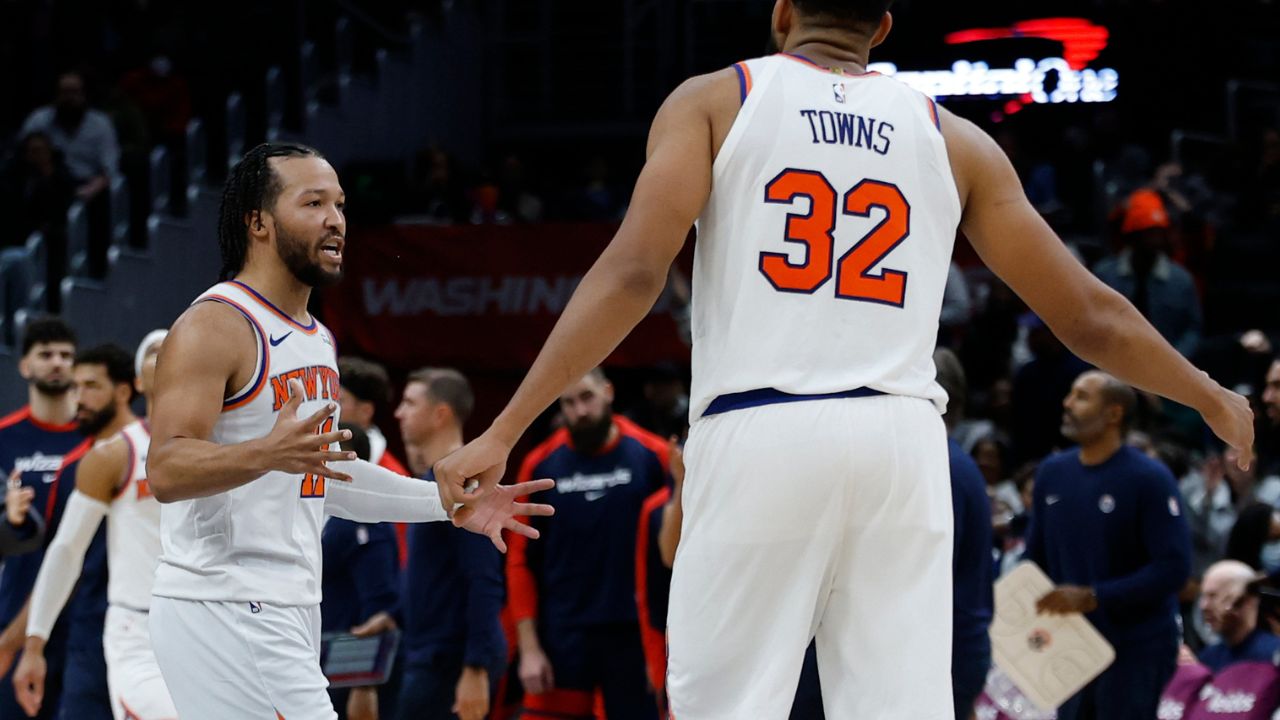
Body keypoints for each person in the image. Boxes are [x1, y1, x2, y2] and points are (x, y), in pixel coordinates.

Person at [433, 1, 1254, 716]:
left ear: (781, 11)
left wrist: (503, 429)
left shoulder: (719, 99)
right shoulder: (955, 137)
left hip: (763, 427)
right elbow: (1088, 316)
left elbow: (634, 273)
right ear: (884, 28)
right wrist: (1211, 396)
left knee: (725, 704)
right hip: (902, 441)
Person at [143, 142, 555, 720]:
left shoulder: (316, 337)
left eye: (339, 205)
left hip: (283, 604)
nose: (336, 220)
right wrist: (267, 452)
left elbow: (326, 477)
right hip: (228, 603)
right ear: (257, 222)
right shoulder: (217, 323)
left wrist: (444, 500)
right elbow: (165, 469)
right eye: (313, 203)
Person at [12, 336, 172, 720]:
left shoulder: (226, 447)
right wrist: (34, 643)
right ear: (138, 381)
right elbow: (66, 550)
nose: (164, 356)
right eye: (151, 351)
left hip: (209, 621)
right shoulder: (115, 453)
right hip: (136, 625)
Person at [1028, 371, 1191, 719]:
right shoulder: (1051, 473)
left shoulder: (1149, 478)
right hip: (1072, 644)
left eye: (1081, 397)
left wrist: (1095, 596)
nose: (1067, 404)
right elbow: (1034, 559)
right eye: (1070, 394)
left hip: (1136, 646)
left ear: (1114, 414)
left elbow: (1174, 568)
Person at [507, 369, 667, 719]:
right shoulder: (540, 464)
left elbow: (672, 558)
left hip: (633, 635)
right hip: (562, 634)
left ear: (608, 392)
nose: (579, 410)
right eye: (568, 402)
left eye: (587, 397)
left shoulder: (653, 456)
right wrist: (530, 648)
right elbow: (520, 561)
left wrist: (664, 646)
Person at [392, 368, 506, 720]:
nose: (398, 412)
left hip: (450, 660)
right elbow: (432, 574)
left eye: (410, 403)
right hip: (430, 652)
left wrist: (475, 667)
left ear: (441, 414)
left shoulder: (464, 482)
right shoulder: (434, 481)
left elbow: (484, 578)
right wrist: (393, 617)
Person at [0, 317, 88, 720]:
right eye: (46, 354)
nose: (57, 362)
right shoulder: (5, 436)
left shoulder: (97, 440)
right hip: (16, 609)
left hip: (82, 615)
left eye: (66, 355)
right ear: (24, 366)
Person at [320, 423, 401, 720]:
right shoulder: (333, 515)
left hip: (349, 672)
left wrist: (364, 686)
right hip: (326, 662)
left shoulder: (366, 521)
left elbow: (379, 609)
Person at [337, 355, 413, 565]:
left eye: (340, 401)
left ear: (366, 411)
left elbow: (400, 559)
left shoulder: (392, 476)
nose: (329, 408)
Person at [1198, 560, 1280, 672]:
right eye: (1204, 596)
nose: (1204, 606)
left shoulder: (1273, 657)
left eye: (1214, 596)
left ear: (1245, 601)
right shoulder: (1208, 658)